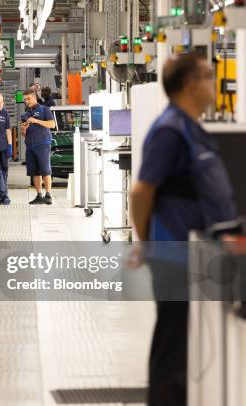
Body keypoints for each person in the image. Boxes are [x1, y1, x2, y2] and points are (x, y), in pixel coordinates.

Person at [130, 53, 237, 406]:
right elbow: (142, 191)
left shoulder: (191, 128)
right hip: (175, 252)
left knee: (185, 347)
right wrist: (146, 242)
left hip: (198, 253)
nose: (214, 85)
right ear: (191, 84)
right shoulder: (170, 131)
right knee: (172, 346)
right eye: (209, 77)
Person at [20, 88, 56, 205]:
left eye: (28, 99)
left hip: (43, 144)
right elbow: (23, 134)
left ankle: (48, 195)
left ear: (34, 97)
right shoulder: (25, 114)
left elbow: (52, 124)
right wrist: (23, 129)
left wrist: (36, 120)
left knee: (45, 170)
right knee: (34, 172)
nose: (27, 101)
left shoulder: (44, 109)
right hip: (30, 145)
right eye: (25, 100)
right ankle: (39, 195)